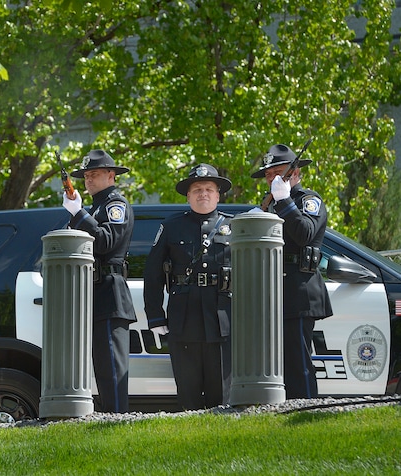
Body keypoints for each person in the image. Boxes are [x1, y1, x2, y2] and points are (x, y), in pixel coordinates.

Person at [143, 164, 233, 410]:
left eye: (208, 189)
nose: (203, 193)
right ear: (188, 195)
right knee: (188, 388)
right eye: (197, 189)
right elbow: (153, 274)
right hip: (184, 317)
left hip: (222, 317)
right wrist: (155, 317)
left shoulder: (234, 228)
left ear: (217, 195)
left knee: (221, 391)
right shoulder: (172, 226)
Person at [251, 143, 332, 399]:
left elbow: (305, 234)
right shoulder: (268, 205)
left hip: (298, 289)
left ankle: (304, 408)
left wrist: (284, 200)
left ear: (295, 174)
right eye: (268, 174)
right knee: (275, 364)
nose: (272, 178)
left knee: (297, 360)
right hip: (270, 291)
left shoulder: (308, 200)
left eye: (279, 172)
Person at [62, 149, 137, 413]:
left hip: (109, 291)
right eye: (85, 176)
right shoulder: (95, 207)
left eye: (94, 174)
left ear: (111, 175)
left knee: (112, 368)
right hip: (90, 293)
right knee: (99, 367)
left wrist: (79, 213)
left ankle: (117, 417)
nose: (88, 180)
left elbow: (105, 242)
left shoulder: (115, 205)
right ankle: (107, 415)